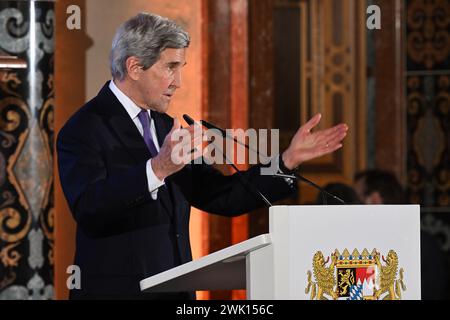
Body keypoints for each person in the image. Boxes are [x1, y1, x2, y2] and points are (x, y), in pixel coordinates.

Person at [57, 12, 348, 299]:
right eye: (170, 67)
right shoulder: (84, 127)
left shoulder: (164, 125)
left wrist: (286, 161)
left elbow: (221, 195)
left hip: (177, 296)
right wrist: (157, 169)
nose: (178, 81)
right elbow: (89, 208)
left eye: (181, 67)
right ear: (134, 67)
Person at [354, 169, 449, 300]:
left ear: (374, 199)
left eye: (357, 199)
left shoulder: (422, 246)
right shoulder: (424, 243)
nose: (352, 207)